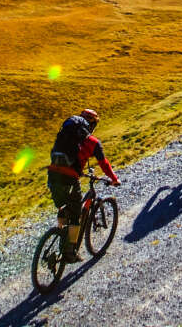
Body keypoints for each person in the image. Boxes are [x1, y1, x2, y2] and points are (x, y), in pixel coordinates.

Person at [46, 108, 119, 261]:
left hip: (53, 174)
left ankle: (60, 234)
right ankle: (69, 251)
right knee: (75, 215)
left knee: (63, 207)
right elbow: (104, 164)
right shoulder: (92, 142)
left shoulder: (67, 134)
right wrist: (114, 178)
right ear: (92, 125)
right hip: (69, 178)